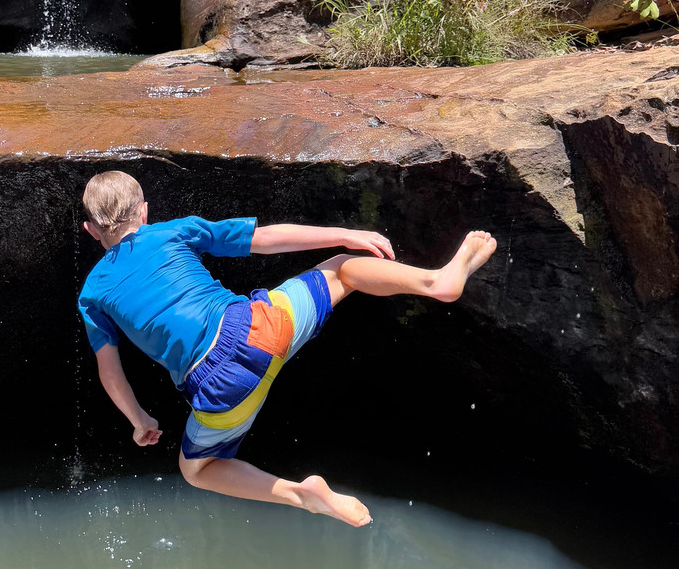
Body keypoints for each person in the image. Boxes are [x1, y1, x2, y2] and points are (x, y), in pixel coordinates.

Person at [77, 171, 496, 527]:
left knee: (197, 470)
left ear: (91, 231)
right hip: (258, 329)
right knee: (342, 271)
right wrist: (345, 234)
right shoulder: (172, 231)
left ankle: (300, 494)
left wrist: (139, 419)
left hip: (220, 391)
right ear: (145, 212)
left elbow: (109, 372)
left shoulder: (92, 292)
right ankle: (433, 282)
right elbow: (265, 239)